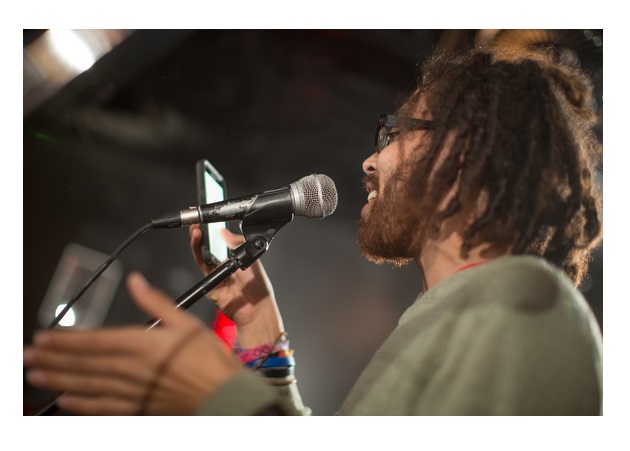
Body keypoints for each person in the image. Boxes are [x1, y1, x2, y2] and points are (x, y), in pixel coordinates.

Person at [22, 45, 603, 415]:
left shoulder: (525, 302)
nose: (370, 161)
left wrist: (223, 399)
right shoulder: (467, 311)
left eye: (396, 133)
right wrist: (260, 328)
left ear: (461, 151)